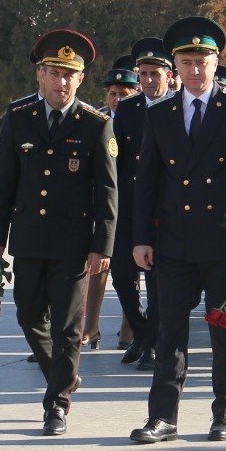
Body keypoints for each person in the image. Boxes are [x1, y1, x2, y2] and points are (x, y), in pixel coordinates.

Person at [129, 17, 226, 444]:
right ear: (176, 66)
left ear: (216, 64)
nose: (196, 70)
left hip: (224, 239)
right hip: (173, 239)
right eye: (188, 62)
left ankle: (223, 412)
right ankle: (163, 417)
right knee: (169, 331)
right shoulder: (160, 113)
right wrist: (141, 237)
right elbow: (147, 180)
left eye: (203, 61)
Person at [0, 29, 117, 435]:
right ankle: (64, 377)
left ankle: (56, 403)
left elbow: (108, 191)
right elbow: (3, 183)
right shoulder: (19, 116)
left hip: (73, 243)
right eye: (55, 73)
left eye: (70, 75)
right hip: (27, 237)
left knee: (66, 327)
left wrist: (102, 244)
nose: (62, 82)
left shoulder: (96, 125)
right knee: (29, 318)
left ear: (80, 80)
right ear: (40, 75)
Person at [110, 37, 175, 371]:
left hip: (165, 211)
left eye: (155, 74)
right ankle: (143, 333)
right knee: (122, 276)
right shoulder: (129, 109)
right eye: (144, 74)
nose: (149, 81)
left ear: (169, 75)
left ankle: (151, 344)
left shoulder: (178, 107)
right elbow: (116, 159)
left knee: (157, 284)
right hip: (130, 207)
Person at [80, 56, 138, 352]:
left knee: (129, 270)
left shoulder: (143, 119)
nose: (116, 99)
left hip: (130, 205)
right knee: (96, 266)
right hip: (99, 205)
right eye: (112, 93)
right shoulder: (96, 120)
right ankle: (90, 327)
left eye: (123, 94)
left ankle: (129, 332)